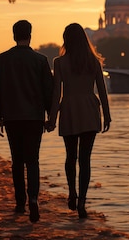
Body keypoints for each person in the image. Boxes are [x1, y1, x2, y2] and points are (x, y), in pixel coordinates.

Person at [46, 23, 111, 219]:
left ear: (66, 39)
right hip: (90, 109)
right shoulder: (94, 61)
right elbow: (101, 89)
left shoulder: (59, 62)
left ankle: (72, 192)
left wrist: (52, 118)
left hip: (70, 110)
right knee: (85, 159)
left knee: (70, 156)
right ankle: (82, 200)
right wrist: (107, 114)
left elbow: (57, 92)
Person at [0, 20, 53, 223]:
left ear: (13, 35)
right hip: (34, 117)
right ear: (31, 35)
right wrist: (50, 117)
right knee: (32, 160)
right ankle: (34, 198)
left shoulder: (2, 60)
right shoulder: (41, 60)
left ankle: (20, 202)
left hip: (11, 117)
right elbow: (48, 92)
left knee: (17, 160)